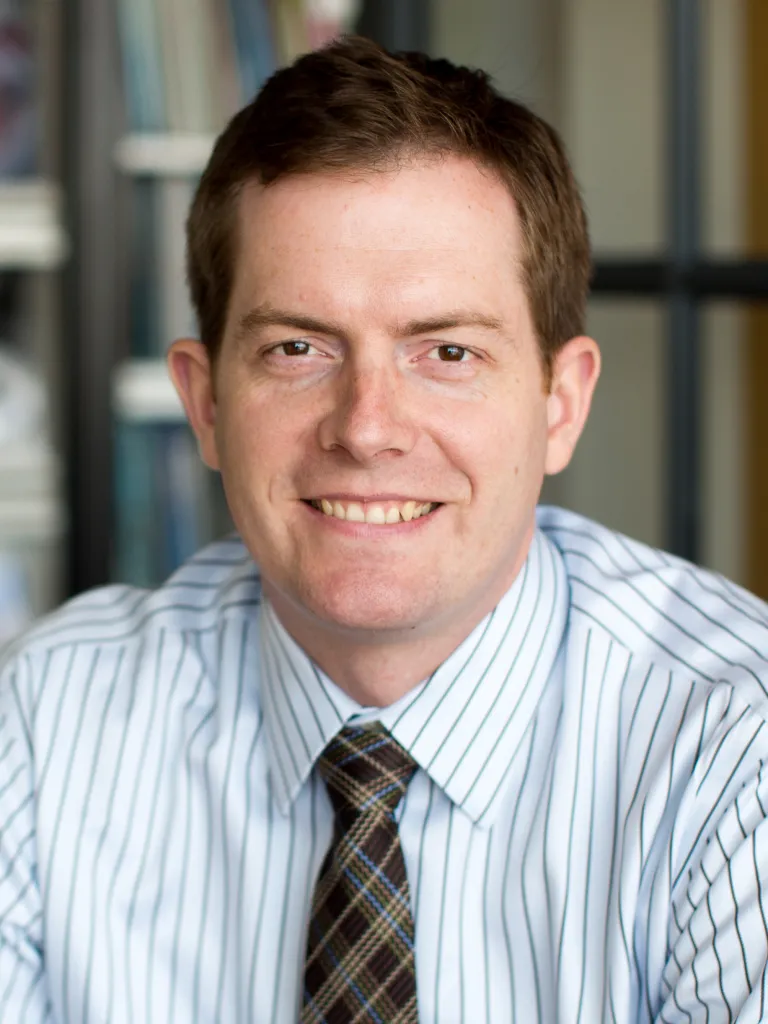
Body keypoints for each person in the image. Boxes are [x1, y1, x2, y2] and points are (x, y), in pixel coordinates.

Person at [1, 34, 767, 1024]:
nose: (367, 429)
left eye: (445, 350)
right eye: (297, 347)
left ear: (560, 403)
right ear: (205, 404)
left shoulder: (734, 748)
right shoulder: (43, 720)